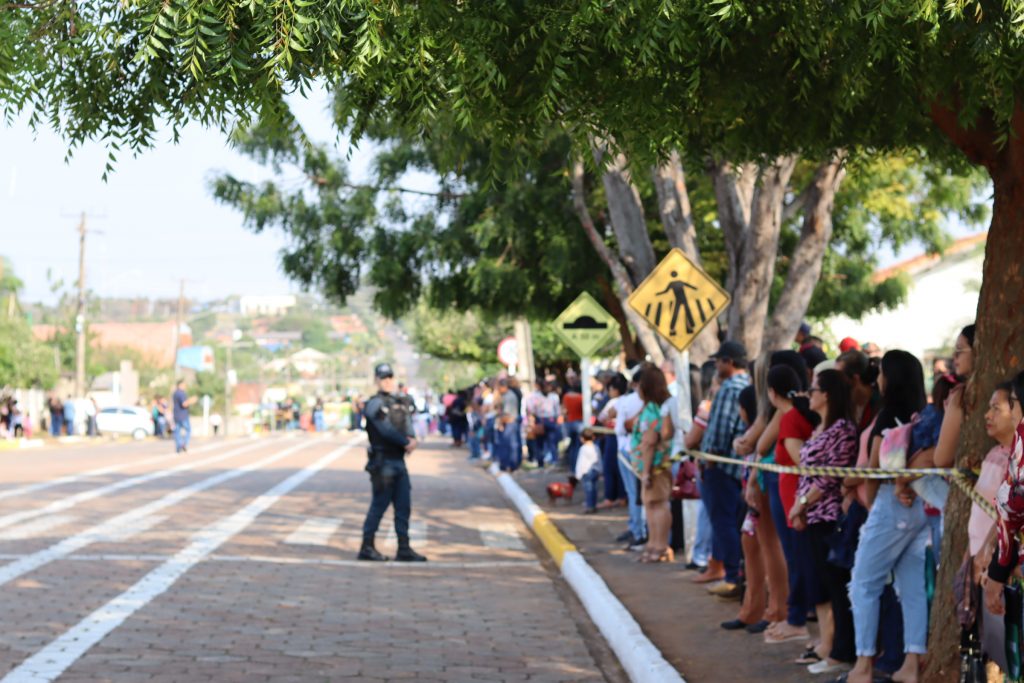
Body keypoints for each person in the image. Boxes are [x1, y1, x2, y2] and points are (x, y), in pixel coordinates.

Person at [847, 350, 929, 683]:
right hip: (922, 507)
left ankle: (863, 666)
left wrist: (853, 478)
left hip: (892, 507)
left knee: (862, 584)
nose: (877, 378)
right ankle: (912, 664)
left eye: (882, 372)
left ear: (891, 378)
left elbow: (881, 464)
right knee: (912, 588)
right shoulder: (923, 413)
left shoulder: (888, 414)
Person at [788, 369, 859, 675]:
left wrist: (801, 505)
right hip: (811, 516)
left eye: (813, 389)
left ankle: (842, 651)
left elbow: (831, 474)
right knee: (822, 584)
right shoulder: (820, 428)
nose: (809, 394)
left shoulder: (843, 429)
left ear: (826, 394)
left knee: (836, 586)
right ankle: (830, 646)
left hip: (829, 516)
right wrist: (799, 507)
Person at [358, 362, 426, 563]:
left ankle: (404, 547)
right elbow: (384, 429)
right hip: (383, 462)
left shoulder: (399, 401)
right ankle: (367, 547)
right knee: (378, 506)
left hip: (398, 461)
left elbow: (406, 423)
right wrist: (406, 442)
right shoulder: (374, 404)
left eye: (389, 378)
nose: (387, 382)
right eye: (383, 378)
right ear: (376, 380)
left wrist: (411, 439)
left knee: (403, 506)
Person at [700, 340, 751, 598]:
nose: (717, 365)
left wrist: (710, 458)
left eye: (719, 360)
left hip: (722, 466)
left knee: (724, 522)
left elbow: (720, 430)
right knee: (732, 522)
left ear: (729, 362)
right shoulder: (745, 385)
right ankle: (733, 572)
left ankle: (732, 576)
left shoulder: (731, 388)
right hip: (734, 466)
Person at [632, 364, 674, 563]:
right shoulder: (654, 408)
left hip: (655, 466)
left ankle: (659, 546)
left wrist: (647, 472)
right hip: (652, 466)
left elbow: (649, 442)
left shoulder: (652, 411)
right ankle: (654, 543)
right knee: (652, 505)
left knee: (657, 505)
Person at [615, 366, 647, 548]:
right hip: (642, 452)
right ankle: (638, 529)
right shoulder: (654, 403)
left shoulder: (626, 401)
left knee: (634, 493)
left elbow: (619, 428)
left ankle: (638, 530)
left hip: (629, 451)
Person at [575, 428, 601, 514]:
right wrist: (601, 470)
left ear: (582, 438)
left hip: (586, 472)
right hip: (595, 471)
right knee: (594, 489)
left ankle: (589, 506)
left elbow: (581, 462)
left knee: (588, 490)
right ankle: (593, 505)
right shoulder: (596, 447)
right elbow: (599, 459)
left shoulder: (583, 448)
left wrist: (578, 474)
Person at [172, 379, 197, 453]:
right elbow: (184, 404)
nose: (185, 387)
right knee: (188, 430)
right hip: (183, 415)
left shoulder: (175, 393)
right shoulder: (181, 393)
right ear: (180, 385)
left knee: (177, 431)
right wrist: (191, 400)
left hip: (176, 415)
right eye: (184, 385)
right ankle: (184, 444)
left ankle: (179, 447)